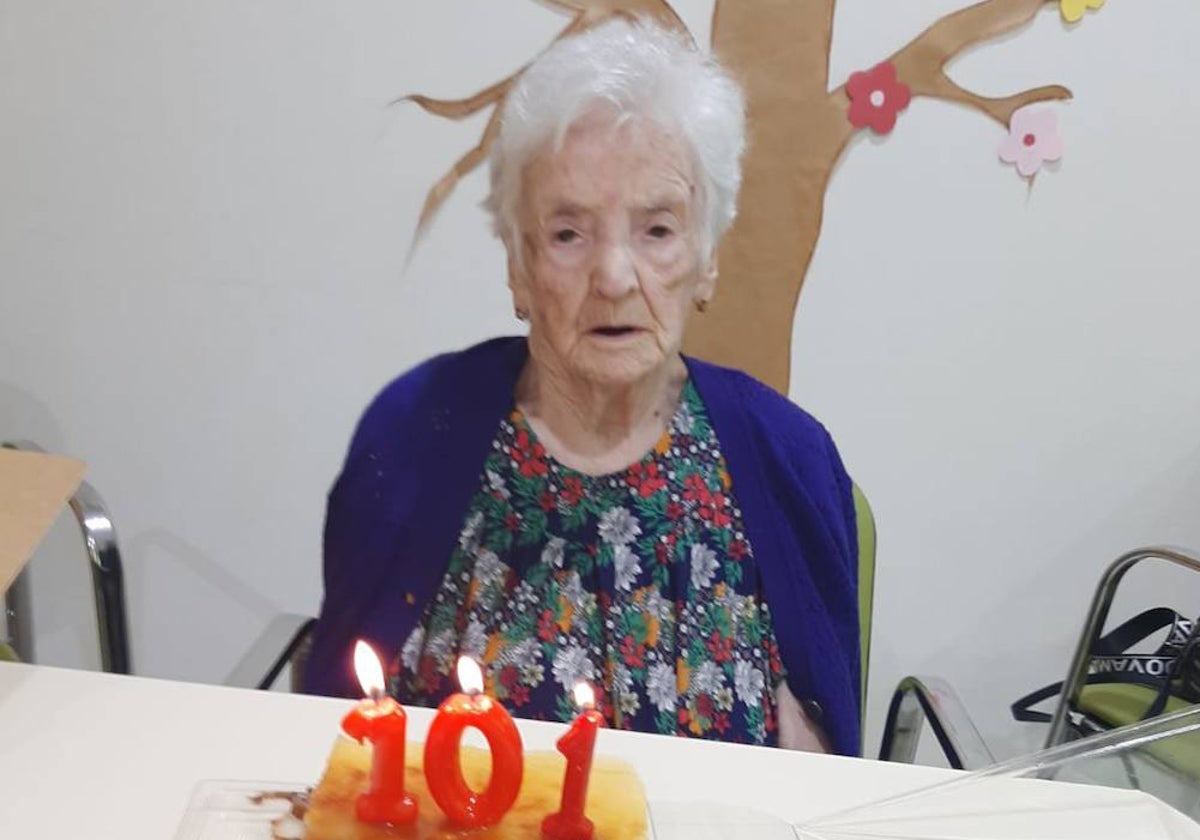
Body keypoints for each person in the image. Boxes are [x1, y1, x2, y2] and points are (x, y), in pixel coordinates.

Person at [305, 17, 861, 756]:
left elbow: (823, 785)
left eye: (657, 230)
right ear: (518, 267)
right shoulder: (412, 434)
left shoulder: (791, 460)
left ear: (708, 259)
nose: (614, 277)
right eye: (568, 233)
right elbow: (331, 741)